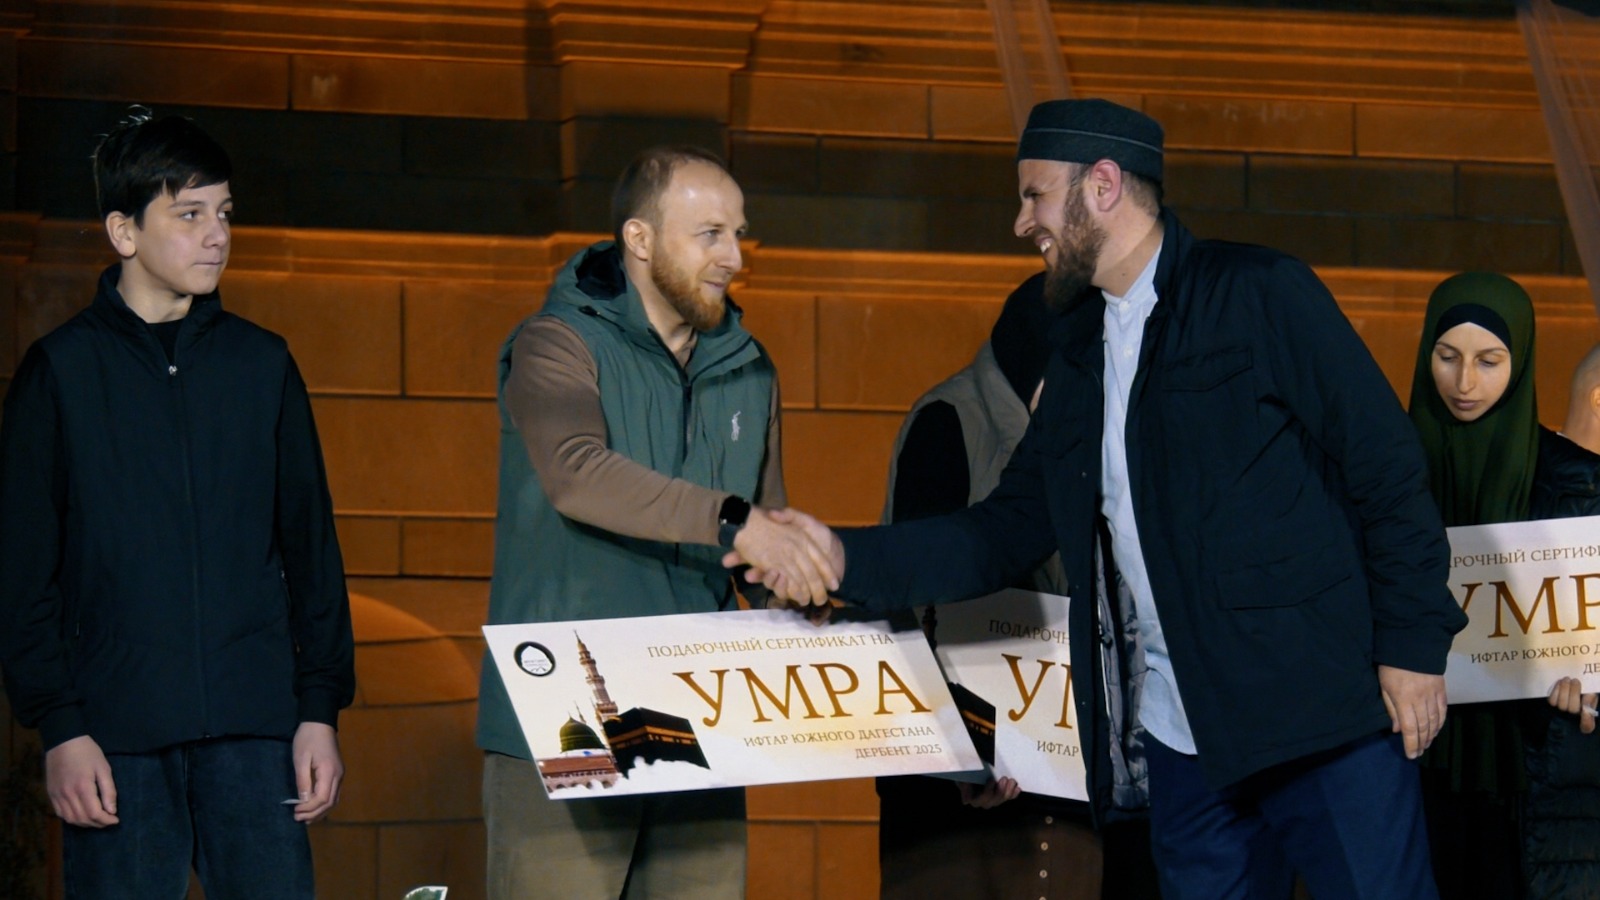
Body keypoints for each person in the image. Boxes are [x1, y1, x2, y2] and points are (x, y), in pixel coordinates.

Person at [730, 98, 1467, 900]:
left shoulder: (1258, 291)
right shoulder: (1078, 351)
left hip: (1322, 728)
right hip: (1182, 752)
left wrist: (1412, 647)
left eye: (1035, 195)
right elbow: (1004, 529)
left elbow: (1386, 467)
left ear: (1104, 185)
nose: (1022, 222)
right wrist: (842, 556)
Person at [0, 110, 355, 898]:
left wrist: (318, 710)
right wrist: (60, 726)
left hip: (256, 733)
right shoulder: (60, 373)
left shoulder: (263, 365)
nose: (216, 236)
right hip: (114, 740)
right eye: (189, 214)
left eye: (224, 213)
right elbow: (23, 573)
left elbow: (311, 550)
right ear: (123, 231)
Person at [474, 145, 829, 899]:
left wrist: (802, 589)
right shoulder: (556, 342)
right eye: (710, 235)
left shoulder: (750, 368)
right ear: (639, 239)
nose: (734, 258)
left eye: (738, 234)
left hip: (700, 720)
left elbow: (762, 540)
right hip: (564, 715)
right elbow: (576, 472)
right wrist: (734, 521)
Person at [875, 271, 1160, 900]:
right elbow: (923, 602)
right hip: (964, 775)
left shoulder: (1090, 428)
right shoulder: (950, 423)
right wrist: (967, 747)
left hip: (1062, 757)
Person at [1407, 274, 1600, 899]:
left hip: (1533, 777)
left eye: (1489, 361)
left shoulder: (1578, 484)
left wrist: (1591, 684)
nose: (1464, 382)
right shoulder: (1383, 475)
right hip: (1409, 764)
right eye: (1447, 356)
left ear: (1520, 360)